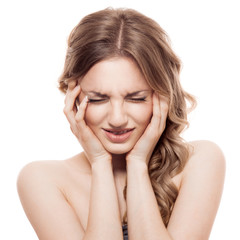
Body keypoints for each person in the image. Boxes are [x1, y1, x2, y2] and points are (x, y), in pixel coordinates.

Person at [17, 8, 225, 240]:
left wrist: (137, 164)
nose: (117, 119)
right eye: (97, 99)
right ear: (73, 97)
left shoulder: (199, 161)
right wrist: (100, 163)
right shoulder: (43, 179)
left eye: (136, 98)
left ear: (164, 95)